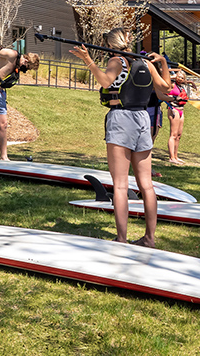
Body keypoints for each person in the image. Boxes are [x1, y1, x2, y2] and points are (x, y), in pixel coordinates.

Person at [71, 28, 173, 247]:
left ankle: (121, 238)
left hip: (121, 119)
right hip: (143, 119)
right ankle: (149, 238)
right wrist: (162, 62)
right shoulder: (145, 63)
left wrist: (88, 60)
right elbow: (166, 87)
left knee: (119, 185)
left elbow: (106, 82)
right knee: (146, 185)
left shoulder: (117, 61)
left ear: (109, 44)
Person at [0, 29, 40, 161]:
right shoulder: (11, 54)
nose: (25, 70)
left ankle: (4, 156)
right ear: (26, 61)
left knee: (4, 124)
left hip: (0, 92)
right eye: (27, 68)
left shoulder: (17, 64)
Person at [163, 70, 193, 165]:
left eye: (181, 77)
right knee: (173, 134)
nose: (179, 79)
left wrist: (190, 82)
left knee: (179, 135)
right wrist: (174, 75)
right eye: (178, 77)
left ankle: (176, 156)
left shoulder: (181, 86)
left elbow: (185, 81)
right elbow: (164, 81)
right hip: (173, 109)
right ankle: (171, 157)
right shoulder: (171, 84)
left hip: (181, 110)